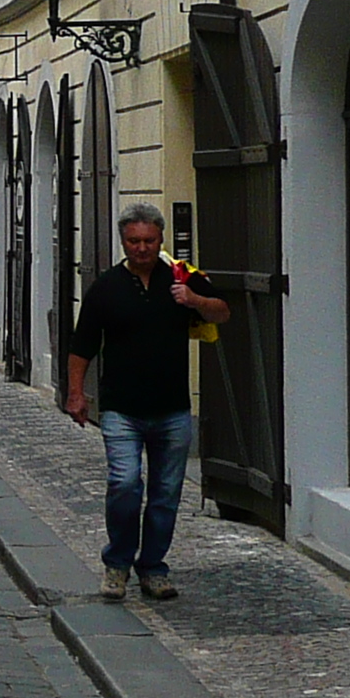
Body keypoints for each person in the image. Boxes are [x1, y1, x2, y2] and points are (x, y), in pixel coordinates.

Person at [64, 203, 231, 603]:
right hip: (122, 409)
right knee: (124, 484)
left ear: (161, 239)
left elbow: (223, 312)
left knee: (165, 494)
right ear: (124, 241)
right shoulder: (106, 287)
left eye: (150, 241)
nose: (142, 248)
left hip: (172, 409)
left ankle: (153, 567)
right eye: (134, 241)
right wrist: (75, 393)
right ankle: (117, 564)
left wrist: (194, 300)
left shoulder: (181, 278)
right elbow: (83, 344)